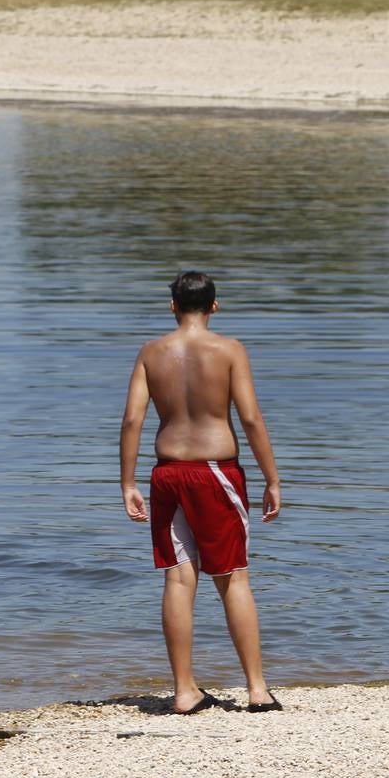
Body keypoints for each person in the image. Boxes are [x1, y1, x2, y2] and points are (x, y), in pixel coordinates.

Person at [119, 272, 283, 715]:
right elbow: (249, 418)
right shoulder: (229, 350)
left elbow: (133, 419)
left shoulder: (151, 353)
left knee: (178, 577)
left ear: (172, 306)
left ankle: (184, 690)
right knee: (232, 577)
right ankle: (256, 689)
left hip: (167, 472)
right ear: (215, 306)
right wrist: (271, 478)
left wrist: (128, 482)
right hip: (216, 472)